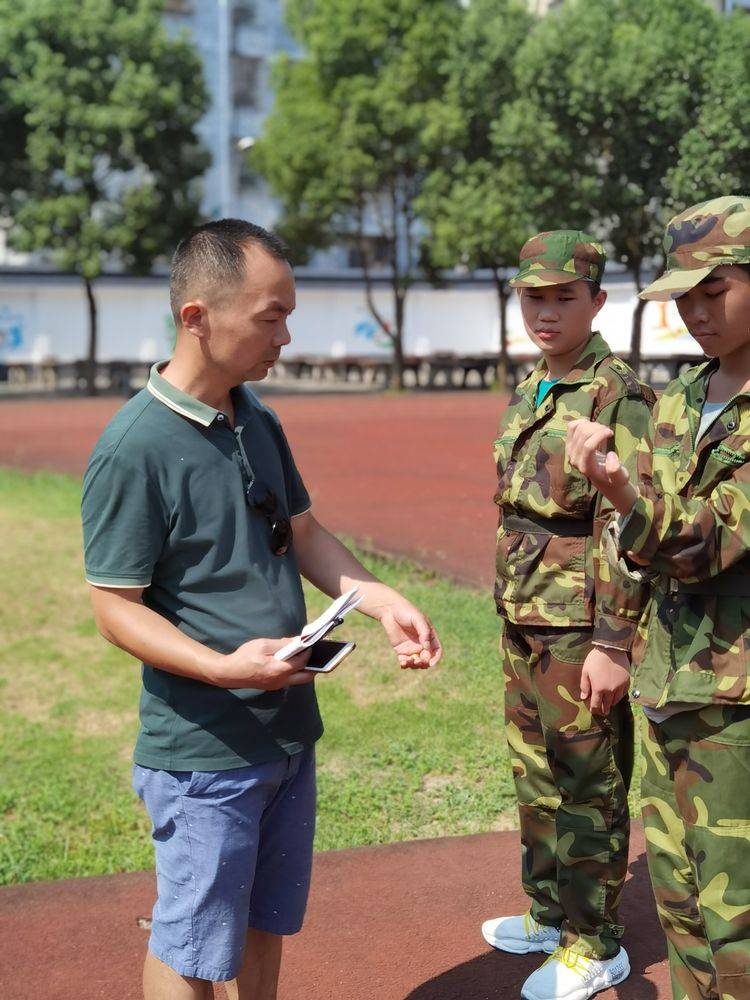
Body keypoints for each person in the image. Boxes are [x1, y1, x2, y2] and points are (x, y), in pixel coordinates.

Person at [81, 219, 442, 1000]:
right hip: (203, 752)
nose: (285, 334)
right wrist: (220, 667)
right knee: (192, 943)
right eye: (270, 315)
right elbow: (114, 606)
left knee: (262, 925)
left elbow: (303, 531)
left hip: (284, 734)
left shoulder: (256, 419)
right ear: (197, 318)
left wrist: (375, 597)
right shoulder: (134, 448)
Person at [567, 195, 750, 1000]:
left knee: (737, 914)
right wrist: (611, 642)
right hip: (669, 687)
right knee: (678, 904)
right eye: (684, 297)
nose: (696, 313)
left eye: (716, 290)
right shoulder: (679, 399)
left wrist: (621, 488)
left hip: (737, 708)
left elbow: (705, 543)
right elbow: (621, 543)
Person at [483, 230, 655, 1000]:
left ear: (597, 301)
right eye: (533, 297)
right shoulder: (536, 386)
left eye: (563, 298)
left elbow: (625, 521)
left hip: (581, 625)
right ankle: (552, 912)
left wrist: (615, 641)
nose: (545, 313)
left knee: (589, 782)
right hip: (526, 618)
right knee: (536, 775)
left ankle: (595, 943)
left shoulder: (618, 395)